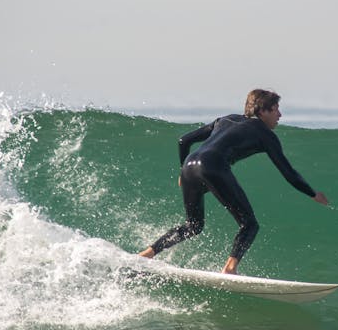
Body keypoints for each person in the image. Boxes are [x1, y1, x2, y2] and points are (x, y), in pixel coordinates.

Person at [139, 89, 328, 274]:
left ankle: (147, 254)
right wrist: (312, 193)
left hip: (190, 165)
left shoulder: (226, 119)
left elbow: (183, 141)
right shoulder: (265, 134)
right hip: (213, 166)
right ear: (262, 111)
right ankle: (230, 268)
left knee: (193, 225)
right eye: (275, 109)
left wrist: (182, 171)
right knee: (249, 224)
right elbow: (288, 172)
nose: (280, 114)